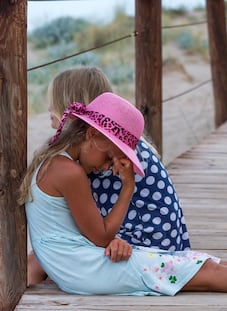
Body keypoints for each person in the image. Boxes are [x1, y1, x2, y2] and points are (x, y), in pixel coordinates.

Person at [21, 92, 227, 295]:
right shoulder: (69, 172)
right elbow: (100, 237)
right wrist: (127, 187)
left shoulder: (55, 163)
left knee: (205, 264)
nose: (109, 166)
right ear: (92, 135)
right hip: (87, 269)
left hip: (82, 267)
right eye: (110, 156)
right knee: (206, 273)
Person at [28, 67, 190, 286]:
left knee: (38, 260)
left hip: (147, 242)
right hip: (162, 238)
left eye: (54, 114)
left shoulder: (108, 152)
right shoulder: (114, 141)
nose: (52, 123)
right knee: (39, 258)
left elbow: (96, 230)